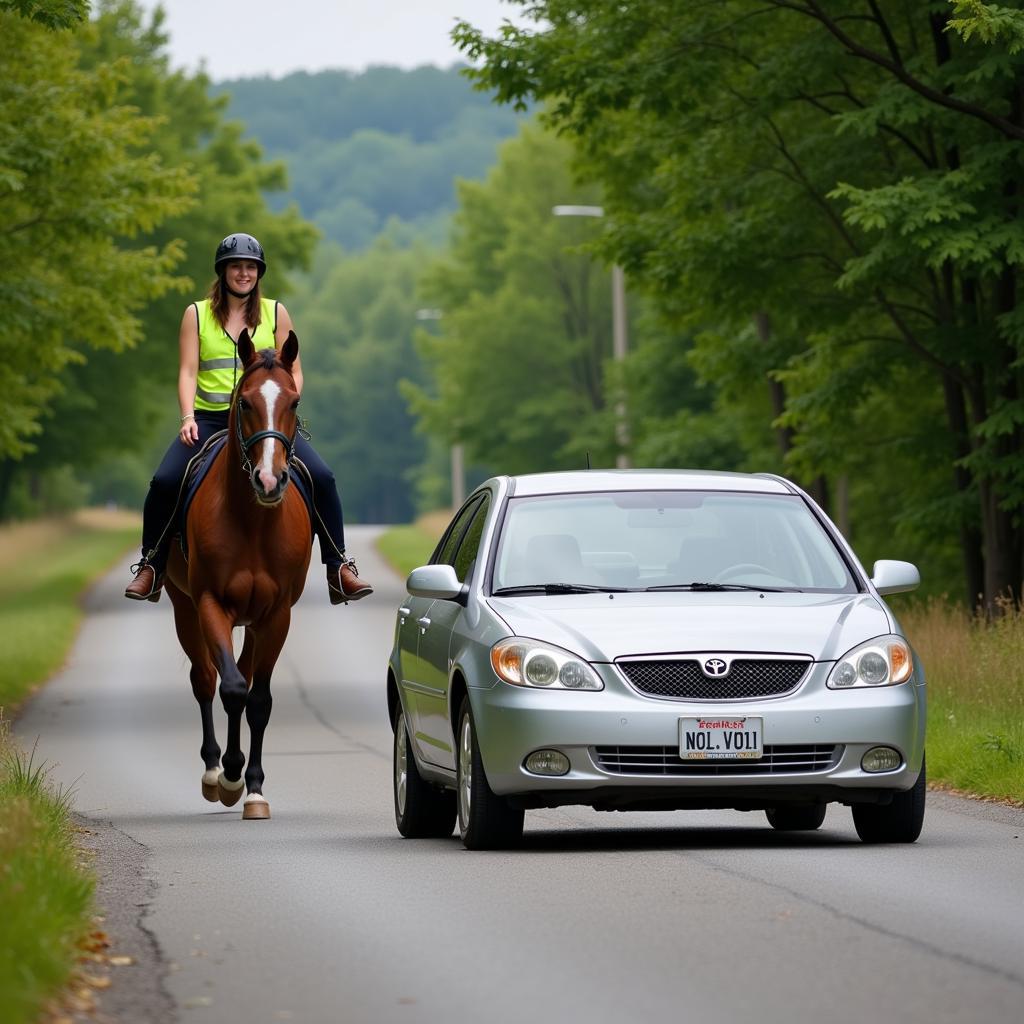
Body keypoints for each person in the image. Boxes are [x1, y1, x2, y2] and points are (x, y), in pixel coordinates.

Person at [124, 232, 372, 606]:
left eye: (250, 267)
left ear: (259, 273)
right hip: (210, 418)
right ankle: (152, 566)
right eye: (236, 267)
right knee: (164, 482)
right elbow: (189, 371)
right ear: (222, 272)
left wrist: (284, 402)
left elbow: (294, 369)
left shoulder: (276, 312)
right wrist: (188, 415)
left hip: (264, 420)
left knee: (322, 477)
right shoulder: (196, 314)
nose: (243, 273)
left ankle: (338, 567)